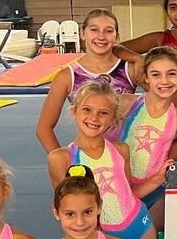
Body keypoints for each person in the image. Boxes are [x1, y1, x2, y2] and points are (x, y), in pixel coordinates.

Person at [47, 82, 156, 239]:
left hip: (140, 227)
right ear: (74, 111)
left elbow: (128, 191)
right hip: (100, 236)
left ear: (113, 120)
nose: (94, 118)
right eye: (87, 110)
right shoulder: (61, 158)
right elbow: (67, 209)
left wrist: (158, 179)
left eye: (103, 113)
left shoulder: (121, 149)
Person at [115, 46, 177, 230]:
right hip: (120, 188)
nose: (164, 81)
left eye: (171, 74)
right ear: (145, 77)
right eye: (156, 75)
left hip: (155, 192)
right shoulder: (126, 103)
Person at [36, 9, 139, 153]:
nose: (101, 36)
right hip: (89, 155)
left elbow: (163, 103)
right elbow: (43, 127)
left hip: (129, 153)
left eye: (108, 31)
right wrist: (63, 161)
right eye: (94, 30)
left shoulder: (130, 70)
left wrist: (138, 59)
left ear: (117, 37)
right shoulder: (67, 76)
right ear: (82, 33)